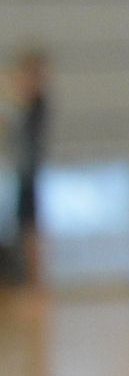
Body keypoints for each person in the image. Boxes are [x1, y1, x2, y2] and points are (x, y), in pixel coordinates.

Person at [5, 44, 50, 292]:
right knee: (25, 225)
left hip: (28, 171)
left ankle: (35, 280)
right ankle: (30, 279)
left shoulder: (36, 102)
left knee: (30, 226)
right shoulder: (30, 102)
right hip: (23, 170)